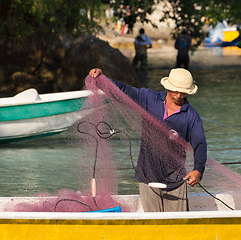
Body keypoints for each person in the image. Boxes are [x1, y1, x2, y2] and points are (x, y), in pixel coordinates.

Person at [88, 68, 207, 212]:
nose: (179, 95)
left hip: (176, 180)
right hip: (147, 176)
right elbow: (124, 91)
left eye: (183, 92)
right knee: (154, 225)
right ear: (167, 87)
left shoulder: (191, 116)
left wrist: (198, 170)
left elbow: (200, 145)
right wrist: (102, 79)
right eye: (175, 90)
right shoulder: (149, 99)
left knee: (177, 228)